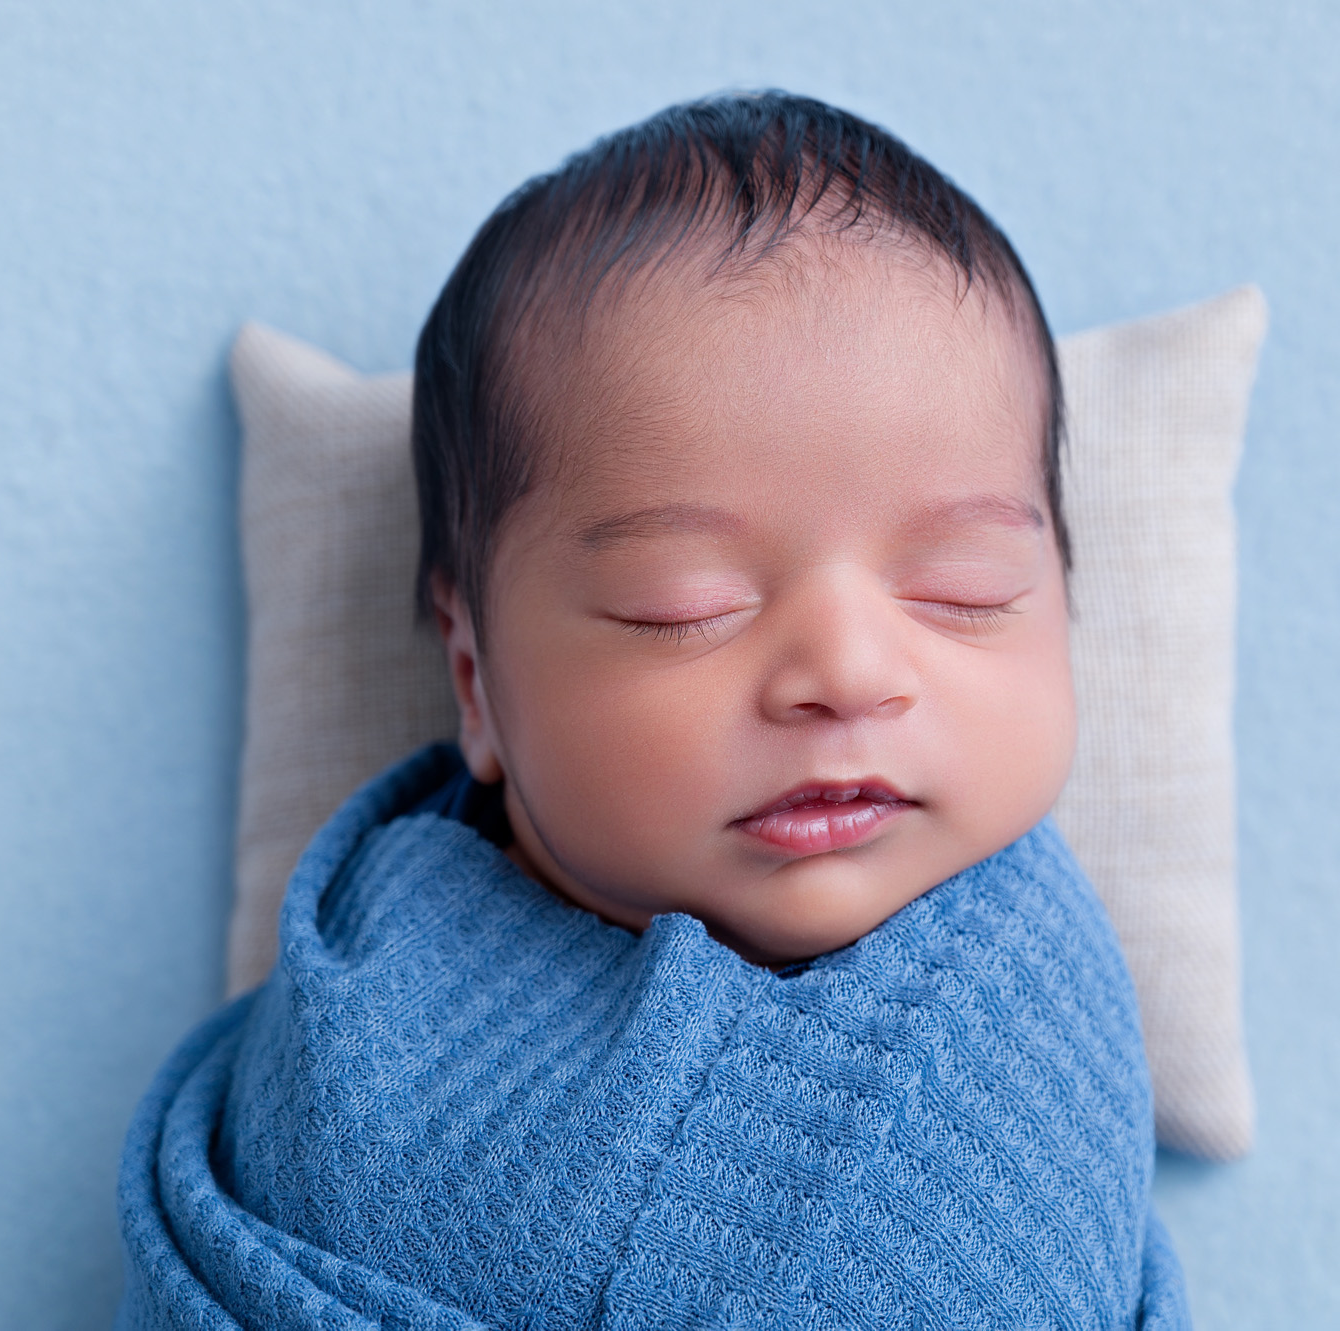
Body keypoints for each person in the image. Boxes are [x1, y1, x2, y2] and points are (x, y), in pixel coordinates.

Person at [118, 91, 1190, 1329]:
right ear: (475, 677)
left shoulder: (1022, 1016)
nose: (844, 672)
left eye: (962, 589)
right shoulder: (369, 1032)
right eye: (680, 605)